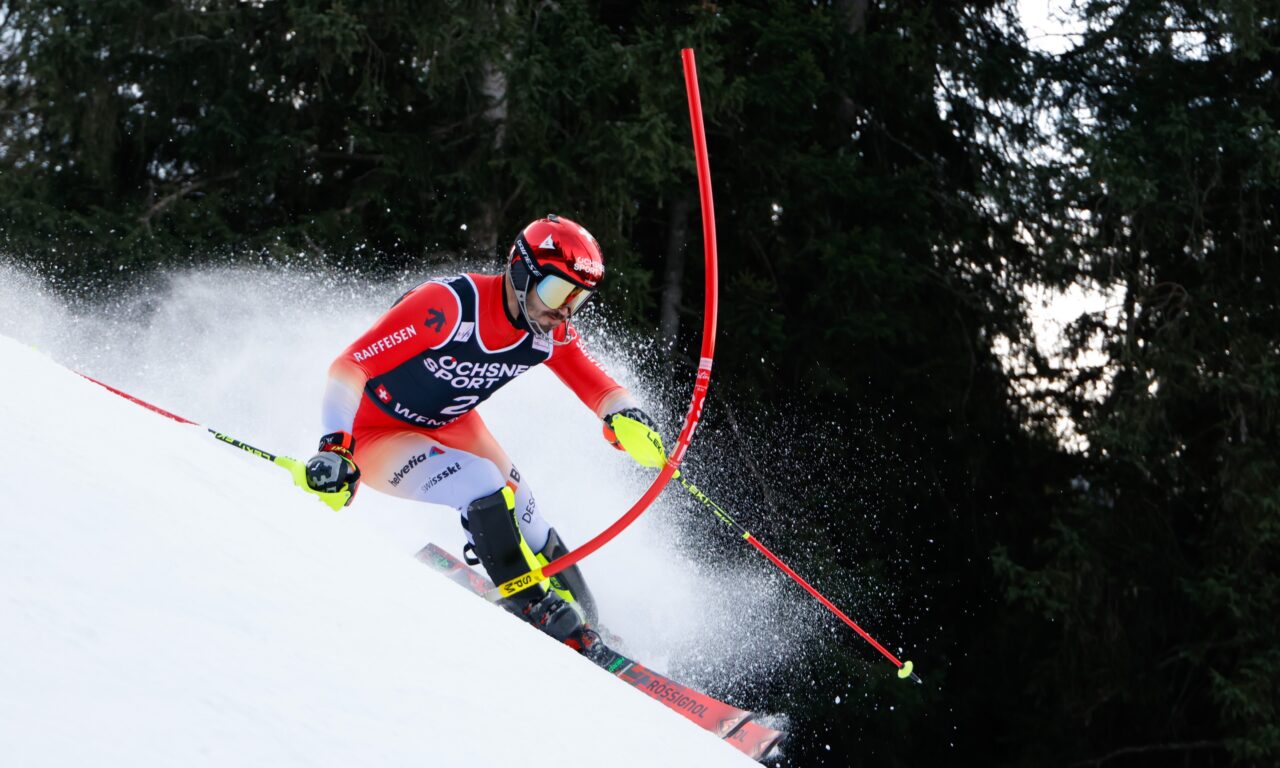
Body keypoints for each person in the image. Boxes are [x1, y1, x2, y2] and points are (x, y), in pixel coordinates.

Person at [297, 214, 665, 656]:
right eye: (555, 292)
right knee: (481, 482)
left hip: (449, 421)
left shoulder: (548, 332)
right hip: (376, 432)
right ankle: (531, 605)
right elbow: (349, 365)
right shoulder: (448, 307)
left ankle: (588, 620)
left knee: (524, 505)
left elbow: (599, 387)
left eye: (577, 298)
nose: (563, 310)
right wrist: (336, 447)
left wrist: (627, 416)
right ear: (520, 271)